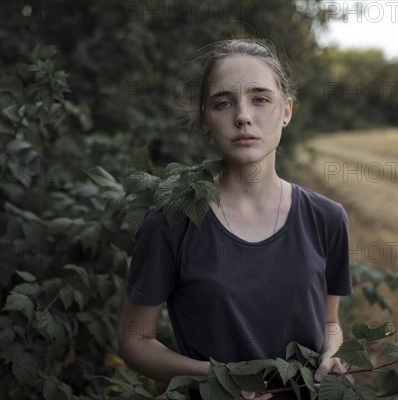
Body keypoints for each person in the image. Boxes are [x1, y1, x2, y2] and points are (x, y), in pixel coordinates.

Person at [119, 38, 352, 400]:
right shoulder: (169, 223)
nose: (243, 115)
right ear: (205, 120)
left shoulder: (327, 218)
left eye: (260, 99)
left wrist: (332, 357)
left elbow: (330, 323)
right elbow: (135, 340)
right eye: (223, 103)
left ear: (287, 110)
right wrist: (215, 377)